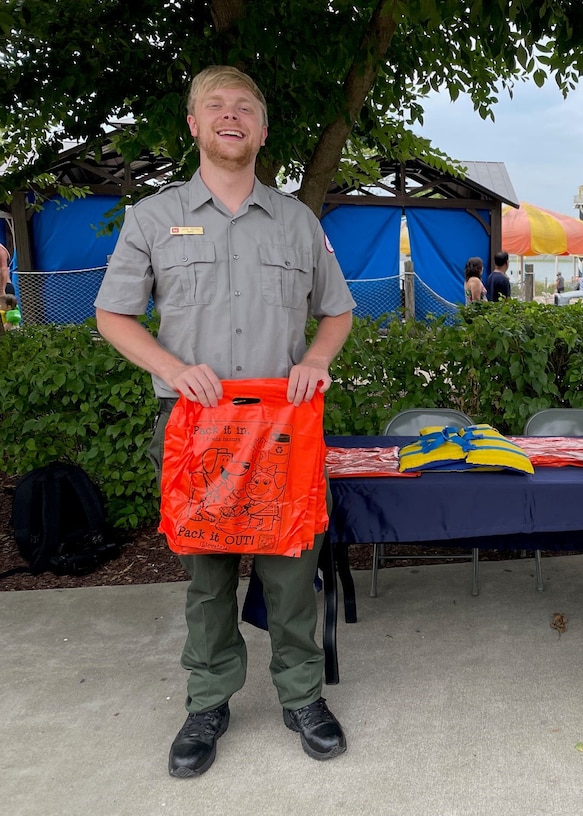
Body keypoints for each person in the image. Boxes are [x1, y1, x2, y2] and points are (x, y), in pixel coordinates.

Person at [93, 65, 357, 778]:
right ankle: (208, 700)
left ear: (263, 131)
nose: (231, 116)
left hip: (281, 434)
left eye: (245, 108)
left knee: (292, 574)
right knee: (206, 578)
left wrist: (316, 359)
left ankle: (302, 697)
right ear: (193, 124)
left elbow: (338, 311)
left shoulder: (299, 222)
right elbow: (112, 313)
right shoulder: (153, 217)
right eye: (216, 106)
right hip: (196, 433)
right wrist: (174, 370)